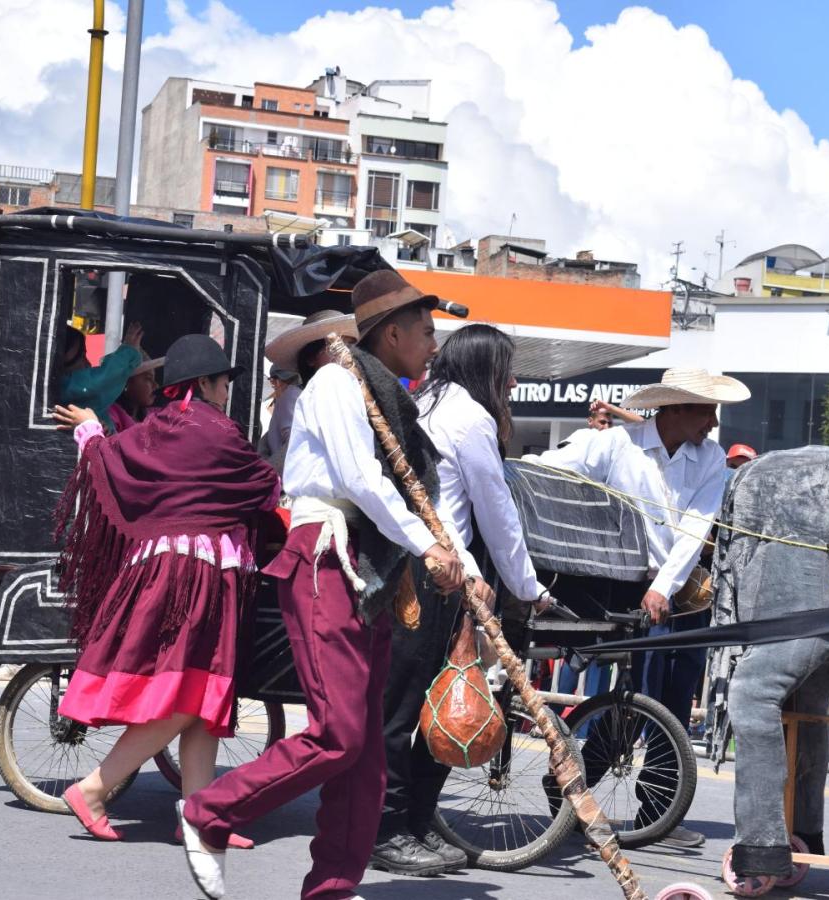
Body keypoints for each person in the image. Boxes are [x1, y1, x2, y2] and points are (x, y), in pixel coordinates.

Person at [179, 270, 468, 900]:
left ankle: (331, 888)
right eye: (425, 332)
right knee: (338, 733)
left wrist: (461, 564)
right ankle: (209, 812)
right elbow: (362, 481)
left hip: (372, 573)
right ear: (390, 332)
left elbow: (415, 498)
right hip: (327, 557)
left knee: (365, 759)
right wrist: (429, 547)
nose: (433, 345)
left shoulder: (389, 397)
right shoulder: (338, 383)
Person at [51, 334, 280, 849]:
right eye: (223, 381)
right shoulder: (218, 432)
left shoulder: (157, 428)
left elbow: (109, 459)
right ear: (204, 383)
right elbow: (264, 486)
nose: (227, 390)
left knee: (203, 698)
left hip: (169, 573)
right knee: (191, 695)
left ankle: (199, 817)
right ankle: (93, 788)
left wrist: (88, 427)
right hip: (197, 578)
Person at [533, 367, 750, 847]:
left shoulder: (710, 457)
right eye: (705, 411)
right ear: (674, 409)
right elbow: (549, 467)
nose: (712, 423)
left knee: (674, 695)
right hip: (626, 589)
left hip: (683, 591)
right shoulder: (615, 445)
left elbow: (696, 526)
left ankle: (657, 809)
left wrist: (666, 587)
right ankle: (574, 785)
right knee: (638, 697)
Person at [372, 323, 553, 876]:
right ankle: (390, 829)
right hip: (436, 576)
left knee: (420, 703)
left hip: (419, 567)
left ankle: (418, 822)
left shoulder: (425, 401)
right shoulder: (468, 416)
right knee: (411, 707)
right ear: (486, 371)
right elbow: (496, 513)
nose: (514, 382)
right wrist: (528, 588)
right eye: (507, 370)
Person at [259, 310, 359, 467]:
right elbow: (298, 454)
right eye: (334, 348)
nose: (345, 355)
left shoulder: (351, 397)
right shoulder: (295, 398)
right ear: (310, 358)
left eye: (349, 347)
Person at [59, 322, 146, 431]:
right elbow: (98, 381)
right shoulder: (64, 387)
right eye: (80, 357)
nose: (88, 364)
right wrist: (128, 353)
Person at [107, 352, 164, 432]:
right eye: (148, 378)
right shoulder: (110, 415)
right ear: (126, 382)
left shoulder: (153, 414)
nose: (156, 385)